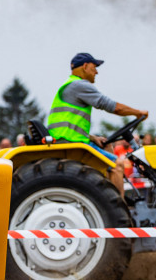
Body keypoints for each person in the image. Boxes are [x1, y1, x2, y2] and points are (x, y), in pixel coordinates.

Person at [47, 52, 147, 194]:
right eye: (95, 67)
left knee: (107, 147)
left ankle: (105, 194)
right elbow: (112, 106)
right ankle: (119, 212)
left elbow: (70, 125)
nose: (97, 72)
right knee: (117, 165)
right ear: (85, 66)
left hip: (68, 139)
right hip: (70, 144)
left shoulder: (70, 85)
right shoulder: (79, 85)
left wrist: (92, 137)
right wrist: (138, 113)